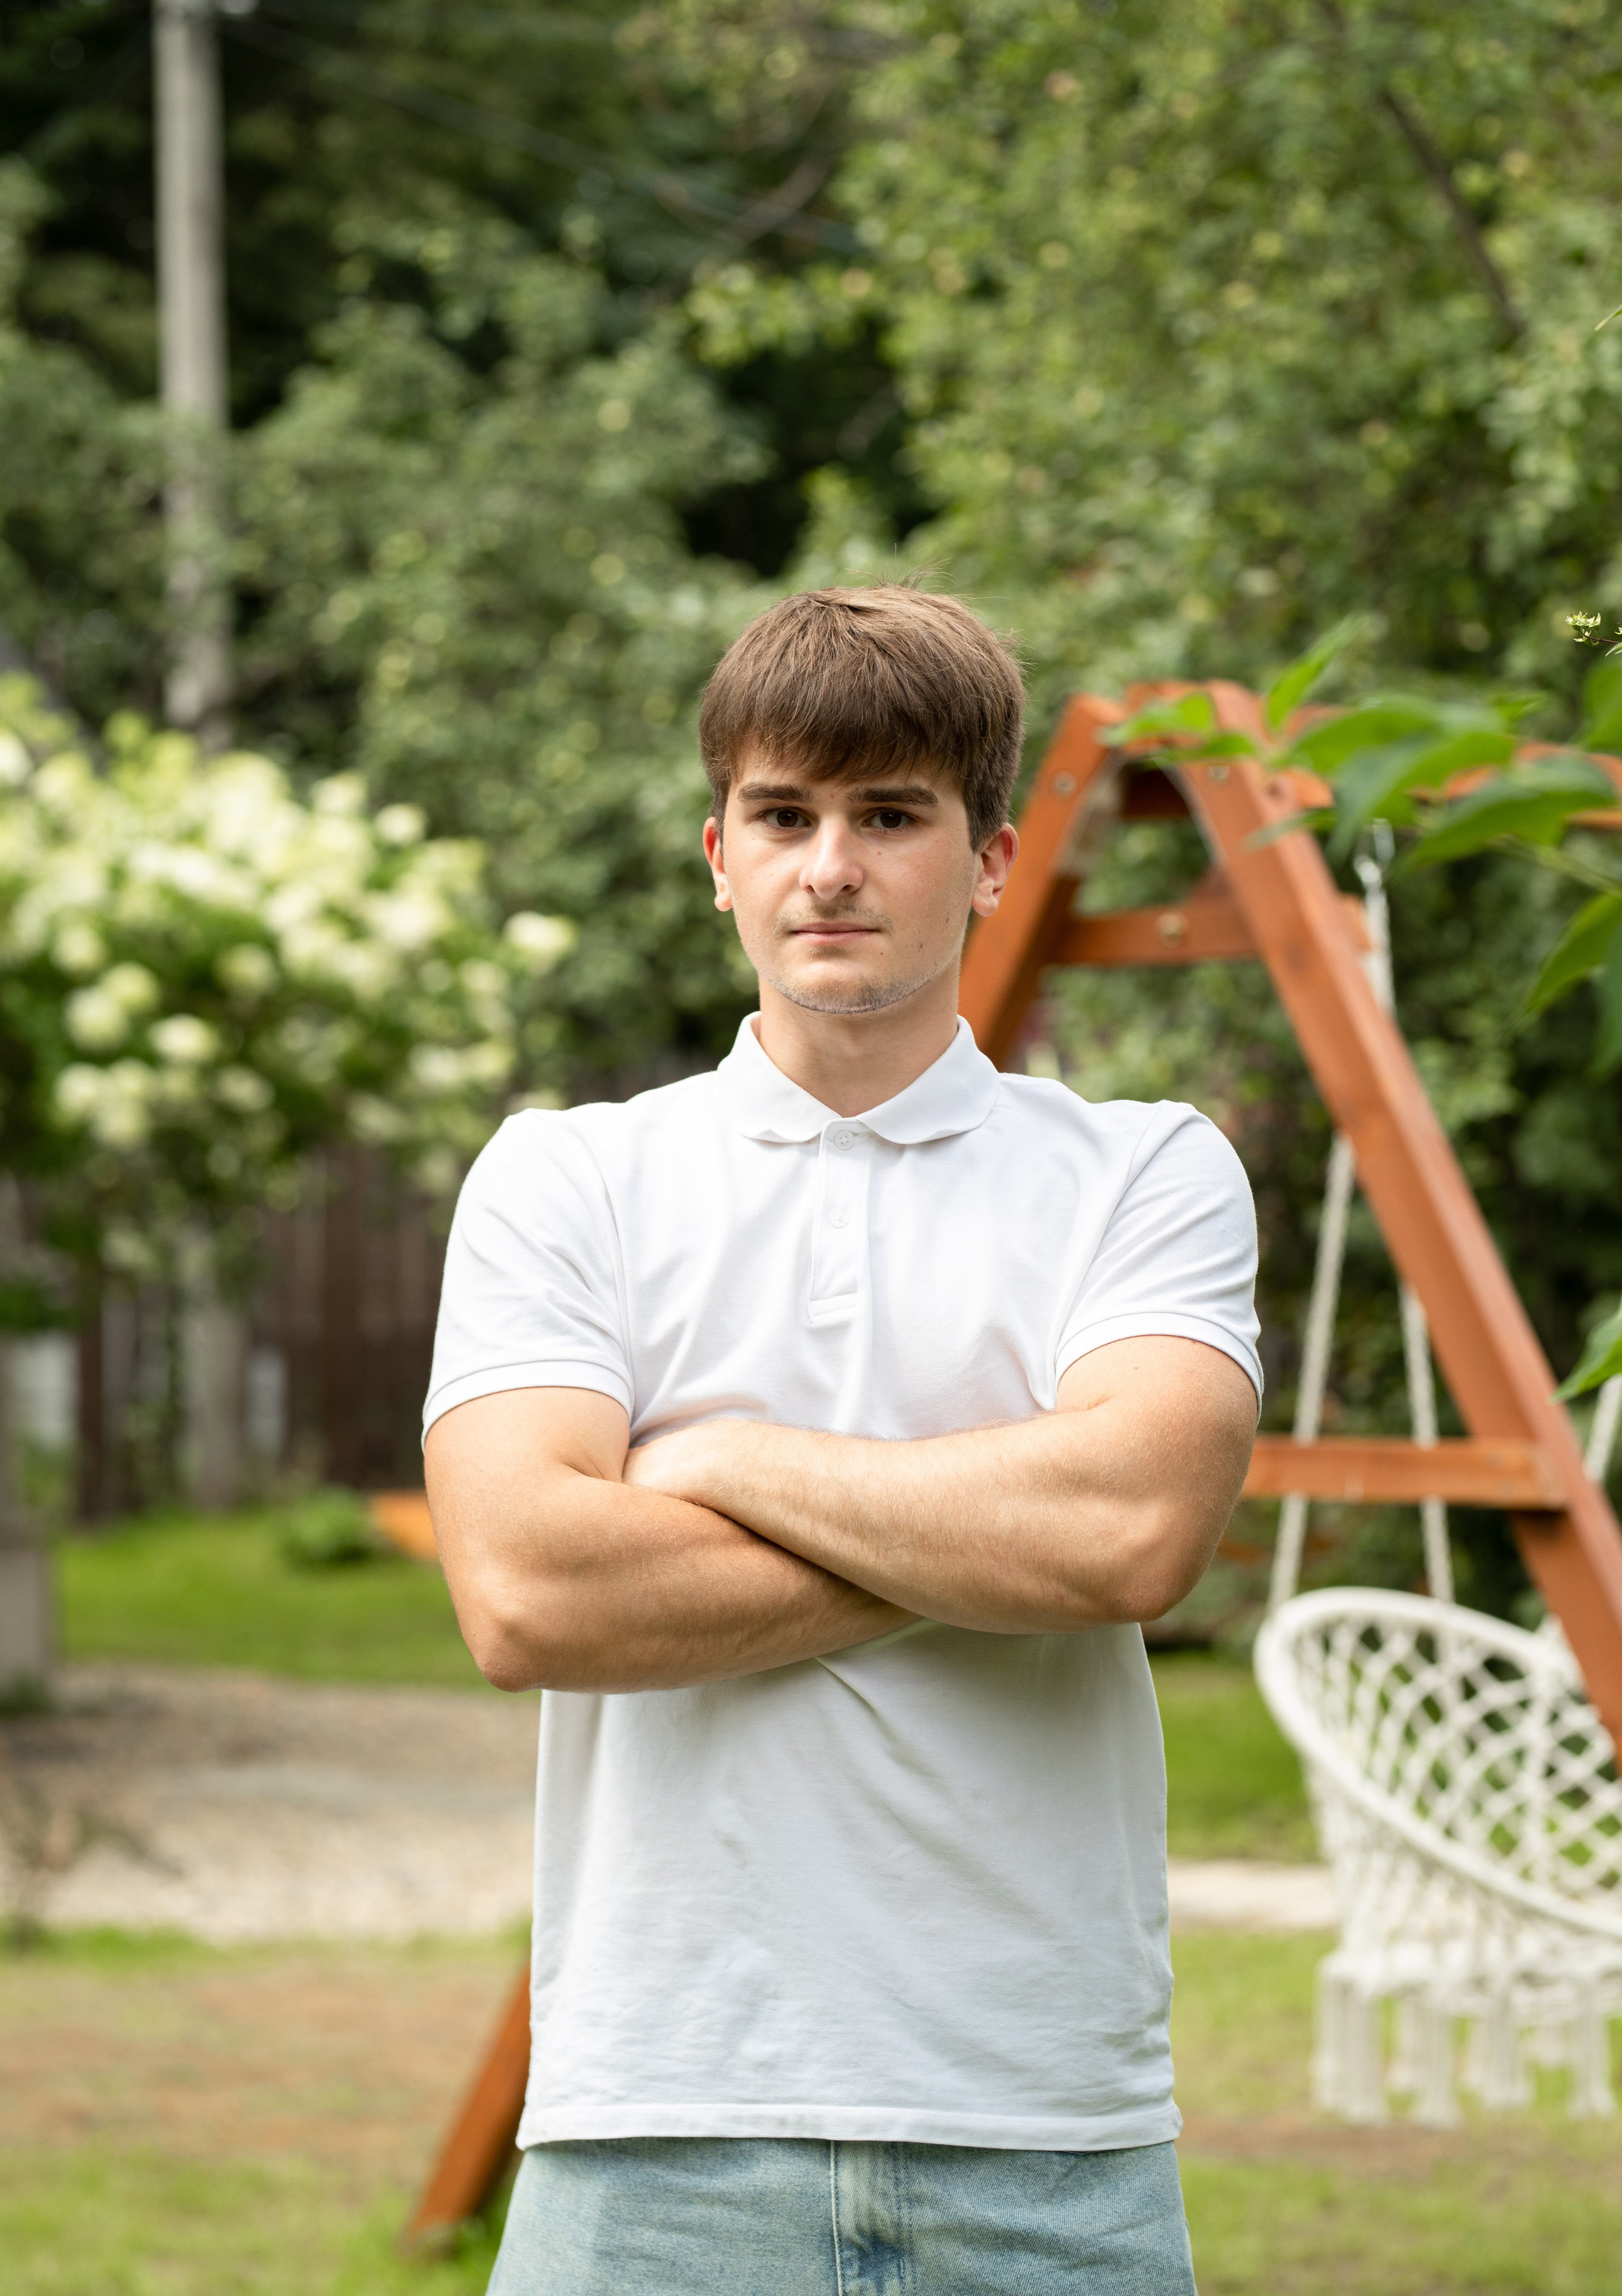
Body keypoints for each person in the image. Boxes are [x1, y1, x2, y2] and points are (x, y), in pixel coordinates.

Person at [424, 584, 1261, 2295]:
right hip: (654, 2130)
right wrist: (989, 1526)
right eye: (785, 816)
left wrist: (712, 1461)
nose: (833, 867)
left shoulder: (1143, 1171)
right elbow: (527, 1596)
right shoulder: (566, 1179)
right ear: (717, 852)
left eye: (892, 816)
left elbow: (1126, 1541)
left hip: (1047, 2143)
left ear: (995, 856)